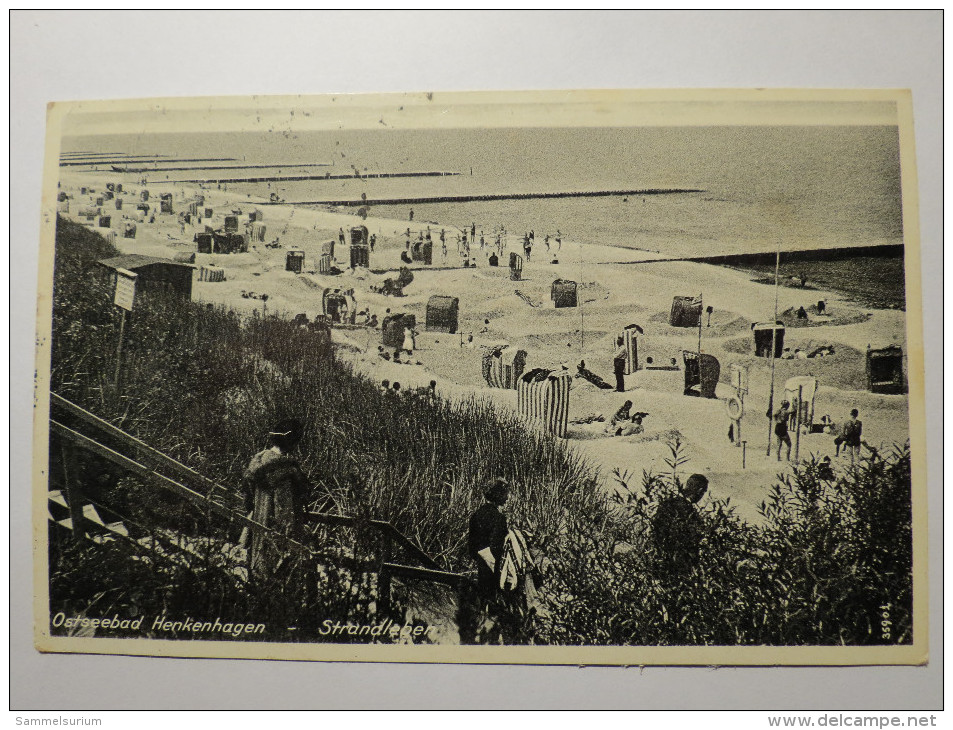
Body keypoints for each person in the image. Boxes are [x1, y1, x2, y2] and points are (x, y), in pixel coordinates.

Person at [241, 418, 310, 585]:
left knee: (258, 572)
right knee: (277, 577)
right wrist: (290, 535)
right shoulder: (286, 471)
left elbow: (248, 499)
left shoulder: (258, 461)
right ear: (292, 441)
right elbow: (284, 510)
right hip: (276, 532)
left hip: (258, 525)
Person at [652, 473, 709, 574]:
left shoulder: (666, 504)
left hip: (662, 561)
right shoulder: (689, 511)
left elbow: (657, 531)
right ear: (700, 491)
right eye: (703, 492)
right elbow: (694, 536)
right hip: (683, 564)